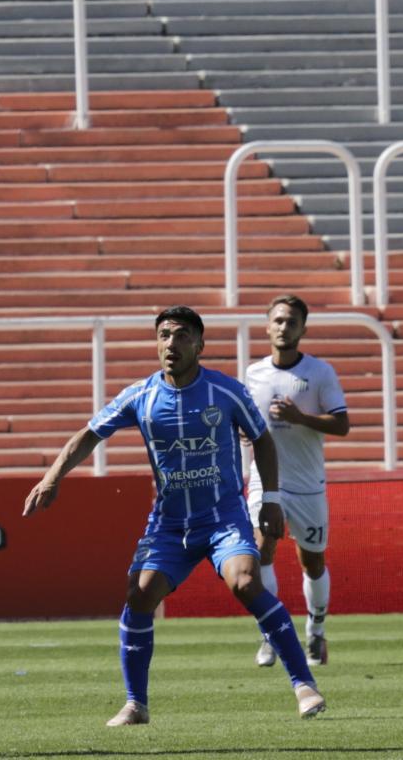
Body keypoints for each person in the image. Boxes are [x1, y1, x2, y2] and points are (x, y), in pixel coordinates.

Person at [23, 307, 326, 726]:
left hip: (223, 518)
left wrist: (271, 498)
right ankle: (136, 704)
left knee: (245, 581)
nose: (171, 343)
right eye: (164, 335)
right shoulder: (141, 395)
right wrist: (52, 477)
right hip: (170, 524)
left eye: (182, 335)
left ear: (200, 345)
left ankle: (303, 684)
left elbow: (262, 439)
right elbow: (90, 434)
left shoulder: (225, 391)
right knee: (140, 593)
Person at [244, 294, 348, 669]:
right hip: (265, 482)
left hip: (307, 484)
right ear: (267, 326)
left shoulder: (320, 372)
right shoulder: (253, 374)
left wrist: (300, 418)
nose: (284, 327)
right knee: (261, 550)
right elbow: (244, 423)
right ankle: (271, 633)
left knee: (312, 561)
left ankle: (315, 631)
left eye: (291, 322)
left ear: (303, 328)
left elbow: (342, 424)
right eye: (278, 320)